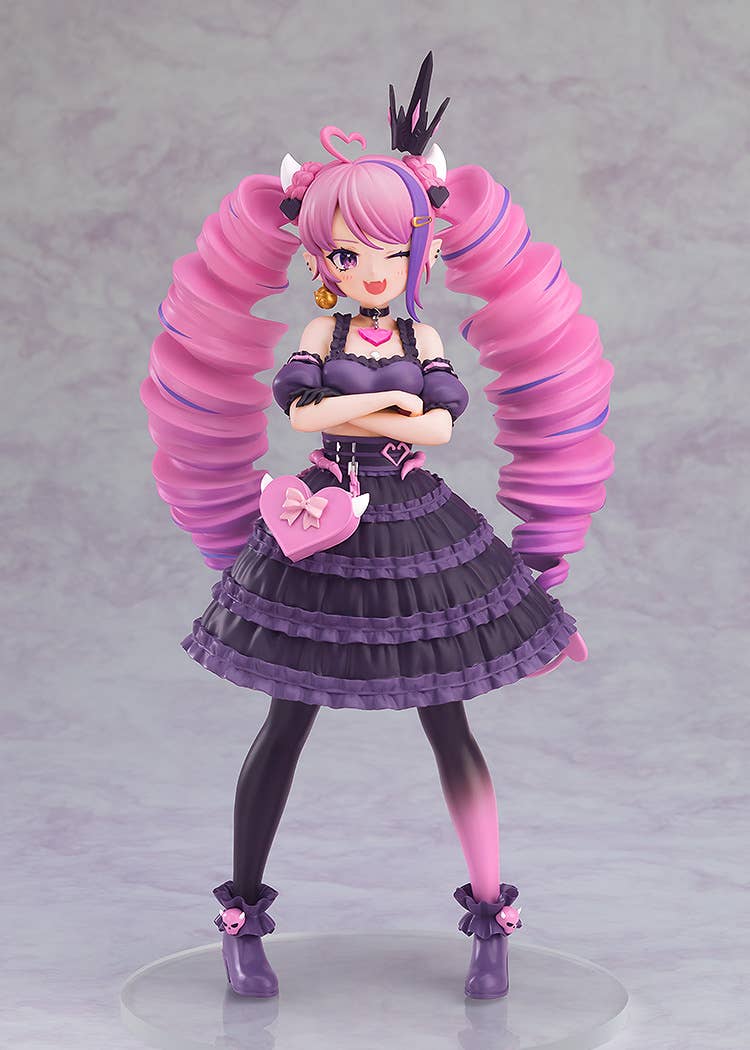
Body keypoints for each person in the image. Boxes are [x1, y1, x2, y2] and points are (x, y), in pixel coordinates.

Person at [142, 53, 614, 1001]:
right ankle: (242, 914)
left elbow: (440, 428)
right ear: (320, 260)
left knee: (449, 714)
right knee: (286, 718)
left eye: (390, 254)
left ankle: (491, 916)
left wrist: (364, 413)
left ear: (418, 254)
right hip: (322, 529)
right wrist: (388, 412)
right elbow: (302, 415)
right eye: (348, 255)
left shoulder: (420, 338)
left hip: (414, 530)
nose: (369, 272)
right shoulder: (319, 336)